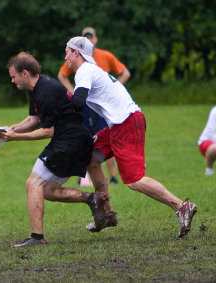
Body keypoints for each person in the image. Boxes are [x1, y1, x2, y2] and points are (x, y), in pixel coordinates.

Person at [64, 36, 197, 237]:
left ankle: (181, 206)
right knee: (90, 158)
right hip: (119, 124)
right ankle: (106, 215)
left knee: (134, 180)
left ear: (76, 52)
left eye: (67, 52)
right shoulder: (91, 70)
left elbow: (78, 104)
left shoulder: (84, 71)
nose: (65, 57)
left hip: (126, 123)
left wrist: (59, 100)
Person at [0, 52, 115, 247]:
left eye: (13, 76)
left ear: (24, 73)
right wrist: (12, 129)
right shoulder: (37, 87)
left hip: (69, 143)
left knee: (33, 183)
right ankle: (92, 198)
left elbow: (47, 130)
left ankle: (37, 237)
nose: (12, 81)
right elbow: (34, 120)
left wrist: (17, 137)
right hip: (73, 141)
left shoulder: (46, 92)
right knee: (48, 190)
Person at [58, 27, 131, 185]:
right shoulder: (83, 68)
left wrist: (113, 89)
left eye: (90, 38)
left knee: (135, 181)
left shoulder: (92, 64)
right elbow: (62, 76)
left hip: (111, 112)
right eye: (86, 38)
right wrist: (73, 92)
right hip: (90, 102)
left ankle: (112, 176)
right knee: (89, 146)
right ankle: (84, 178)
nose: (65, 57)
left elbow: (125, 72)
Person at [197, 106, 216, 176]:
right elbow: (211, 134)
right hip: (207, 142)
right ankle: (209, 170)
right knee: (214, 148)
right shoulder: (215, 111)